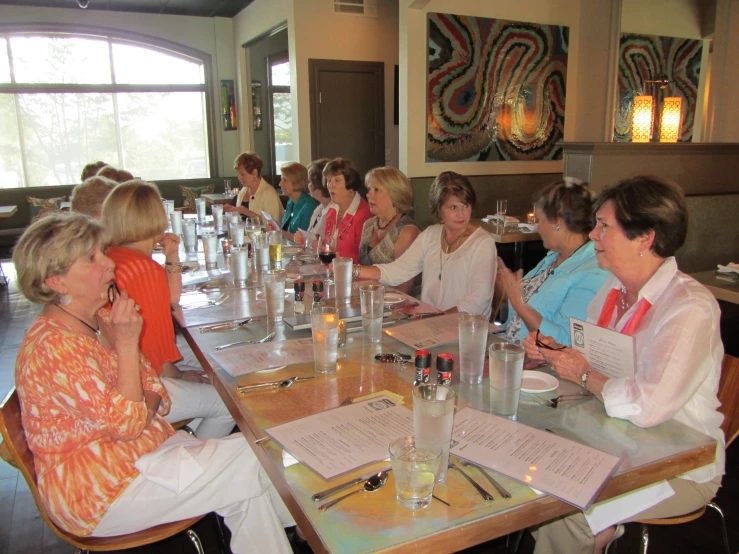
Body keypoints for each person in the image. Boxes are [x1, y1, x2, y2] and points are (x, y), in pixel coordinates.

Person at [12, 213, 295, 552]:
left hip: (144, 454)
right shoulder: (54, 348)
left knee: (247, 482)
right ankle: (320, 526)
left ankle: (308, 525)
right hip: (101, 492)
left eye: (103, 251)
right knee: (260, 457)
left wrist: (141, 401)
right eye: (92, 258)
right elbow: (131, 422)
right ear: (57, 281)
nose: (109, 264)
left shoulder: (99, 318)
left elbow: (156, 389)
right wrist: (130, 346)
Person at [525, 176, 724, 554]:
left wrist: (583, 373)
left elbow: (647, 406)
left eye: (604, 226)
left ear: (645, 238)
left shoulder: (689, 308)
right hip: (612, 440)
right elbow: (599, 362)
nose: (594, 235)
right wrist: (559, 352)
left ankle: (589, 533)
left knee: (565, 506)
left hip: (675, 465)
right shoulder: (612, 289)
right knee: (531, 466)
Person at [102, 181, 234, 439]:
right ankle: (196, 457)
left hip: (117, 371)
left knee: (213, 359)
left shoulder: (116, 256)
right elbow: (158, 358)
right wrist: (182, 375)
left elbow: (170, 298)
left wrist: (171, 253)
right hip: (138, 386)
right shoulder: (144, 269)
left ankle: (185, 432)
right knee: (229, 402)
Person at [355, 171, 496, 317]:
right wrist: (352, 270)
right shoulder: (431, 235)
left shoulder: (483, 243)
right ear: (439, 209)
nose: (462, 214)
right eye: (453, 207)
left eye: (466, 206)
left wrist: (435, 319)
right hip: (431, 324)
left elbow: (478, 302)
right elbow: (398, 271)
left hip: (466, 329)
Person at [499, 179, 610, 345]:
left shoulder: (593, 273)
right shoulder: (553, 257)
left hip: (543, 365)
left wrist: (520, 304)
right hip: (511, 348)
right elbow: (516, 320)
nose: (537, 228)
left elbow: (565, 342)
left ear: (557, 222)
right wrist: (505, 291)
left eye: (539, 220)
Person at [359, 167, 421, 296]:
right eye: (369, 189)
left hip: (402, 307)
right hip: (369, 298)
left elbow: (404, 288)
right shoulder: (369, 225)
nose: (368, 194)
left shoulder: (407, 231)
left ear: (395, 195)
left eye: (376, 190)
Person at [321, 158, 372, 263]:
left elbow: (363, 259)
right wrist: (319, 246)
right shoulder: (332, 210)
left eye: (337, 180)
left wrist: (333, 254)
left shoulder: (364, 214)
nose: (330, 185)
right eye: (329, 180)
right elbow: (330, 247)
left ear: (351, 184)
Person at [224, 153, 284, 226]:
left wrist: (245, 211)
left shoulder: (269, 193)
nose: (239, 178)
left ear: (255, 173)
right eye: (238, 174)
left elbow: (274, 225)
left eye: (242, 174)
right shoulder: (244, 190)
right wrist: (231, 210)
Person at [294, 158, 331, 246]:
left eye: (309, 182)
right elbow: (311, 237)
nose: (307, 185)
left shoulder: (334, 210)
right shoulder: (319, 208)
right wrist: (301, 238)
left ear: (318, 184)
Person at [279, 162, 319, 240]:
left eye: (285, 180)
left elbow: (304, 239)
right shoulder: (291, 203)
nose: (280, 184)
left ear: (297, 182)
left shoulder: (309, 205)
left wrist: (278, 232)